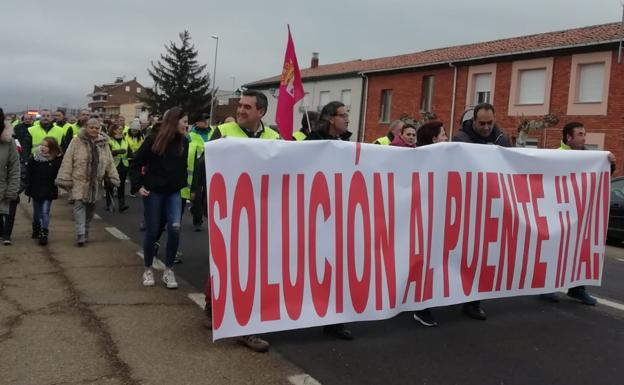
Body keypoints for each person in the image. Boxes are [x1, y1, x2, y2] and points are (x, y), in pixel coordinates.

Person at [203, 90, 280, 353]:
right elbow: (205, 168)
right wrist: (202, 204)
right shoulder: (222, 132)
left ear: (261, 112)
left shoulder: (274, 137)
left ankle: (240, 322)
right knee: (227, 263)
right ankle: (229, 315)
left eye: (248, 107)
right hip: (226, 210)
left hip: (259, 213)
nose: (241, 110)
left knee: (250, 268)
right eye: (240, 106)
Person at [539, 122, 616, 305]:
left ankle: (577, 289)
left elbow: (603, 176)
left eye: (584, 133)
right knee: (555, 251)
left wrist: (610, 163)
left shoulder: (590, 157)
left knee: (581, 252)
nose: (584, 137)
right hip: (558, 213)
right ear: (569, 137)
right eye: (580, 134)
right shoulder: (555, 155)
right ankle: (547, 287)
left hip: (581, 214)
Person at [452, 102, 511, 320]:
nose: (486, 127)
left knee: (482, 257)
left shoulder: (502, 139)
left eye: (490, 123)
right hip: (464, 208)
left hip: (490, 208)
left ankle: (473, 302)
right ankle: (449, 294)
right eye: (482, 123)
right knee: (458, 256)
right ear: (473, 121)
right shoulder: (460, 139)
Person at [306, 101, 355, 340]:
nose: (347, 120)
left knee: (337, 270)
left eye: (347, 115)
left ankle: (334, 320)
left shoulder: (347, 143)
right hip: (313, 216)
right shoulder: (311, 142)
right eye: (344, 116)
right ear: (330, 118)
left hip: (339, 216)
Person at [131, 107, 188, 290]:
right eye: (185, 122)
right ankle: (148, 268)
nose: (187, 125)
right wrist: (138, 186)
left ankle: (168, 269)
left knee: (175, 228)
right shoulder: (152, 139)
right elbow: (136, 162)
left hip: (174, 193)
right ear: (173, 121)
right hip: (154, 192)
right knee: (152, 230)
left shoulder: (184, 142)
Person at [408, 121, 449, 327]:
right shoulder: (415, 160)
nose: (446, 138)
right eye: (443, 134)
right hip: (420, 222)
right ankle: (420, 307)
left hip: (437, 220)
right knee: (421, 262)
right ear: (434, 139)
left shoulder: (447, 159)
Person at [55, 118, 119, 246]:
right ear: (86, 127)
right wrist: (65, 177)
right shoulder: (76, 141)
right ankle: (80, 234)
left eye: (97, 128)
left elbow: (109, 161)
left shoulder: (103, 143)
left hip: (95, 181)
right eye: (91, 127)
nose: (94, 130)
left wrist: (113, 176)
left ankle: (86, 230)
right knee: (79, 206)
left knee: (90, 208)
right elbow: (68, 159)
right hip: (79, 179)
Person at [25, 137, 62, 245]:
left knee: (45, 212)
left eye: (46, 146)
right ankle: (36, 228)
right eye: (42, 145)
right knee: (37, 213)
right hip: (36, 189)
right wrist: (28, 185)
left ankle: (44, 233)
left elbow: (59, 174)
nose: (43, 147)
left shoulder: (56, 160)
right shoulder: (34, 158)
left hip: (49, 189)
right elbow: (29, 173)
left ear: (51, 148)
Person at [187, 113, 211, 231]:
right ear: (196, 122)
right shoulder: (190, 136)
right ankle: (197, 220)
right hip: (196, 171)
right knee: (197, 196)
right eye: (202, 120)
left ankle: (196, 210)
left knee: (206, 198)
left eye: (206, 119)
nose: (205, 121)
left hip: (210, 169)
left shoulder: (213, 134)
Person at [0, 109, 20, 245]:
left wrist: (12, 189)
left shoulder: (9, 142)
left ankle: (6, 235)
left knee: (8, 212)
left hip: (5, 184)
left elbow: (14, 167)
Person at [106, 124, 130, 212]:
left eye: (122, 129)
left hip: (123, 165)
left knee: (121, 185)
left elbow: (130, 152)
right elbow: (107, 153)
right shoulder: (109, 141)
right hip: (113, 166)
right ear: (114, 130)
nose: (121, 130)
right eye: (119, 129)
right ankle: (109, 204)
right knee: (110, 185)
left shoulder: (125, 140)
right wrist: (117, 151)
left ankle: (121, 204)